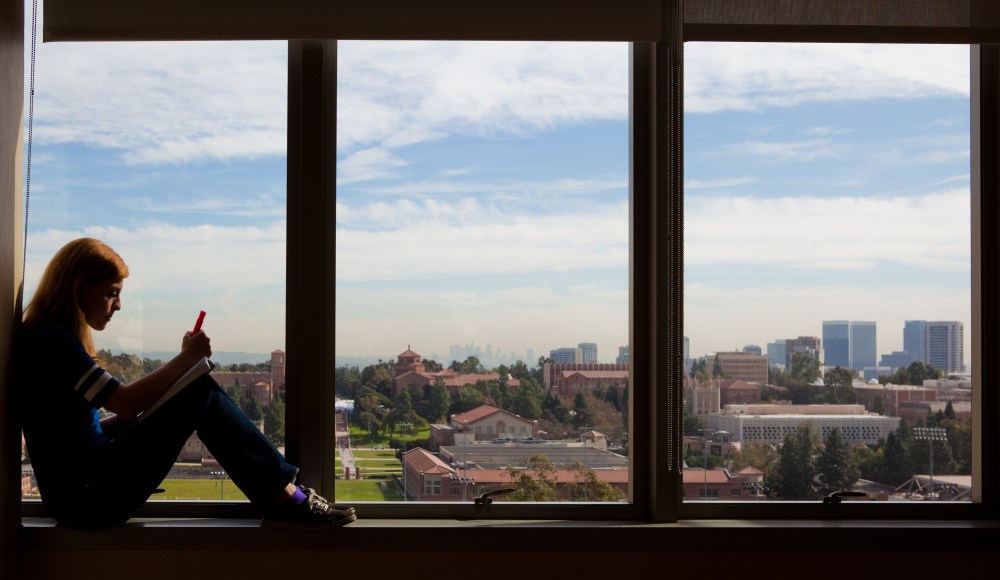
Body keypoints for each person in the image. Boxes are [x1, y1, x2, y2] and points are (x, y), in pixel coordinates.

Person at [17, 238, 355, 530]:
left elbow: (74, 433)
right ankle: (287, 500)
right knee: (199, 394)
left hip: (81, 492)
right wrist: (186, 360)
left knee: (182, 394)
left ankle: (285, 496)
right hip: (88, 499)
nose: (118, 305)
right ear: (79, 288)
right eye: (111, 293)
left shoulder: (46, 336)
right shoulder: (53, 342)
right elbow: (125, 401)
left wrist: (156, 407)